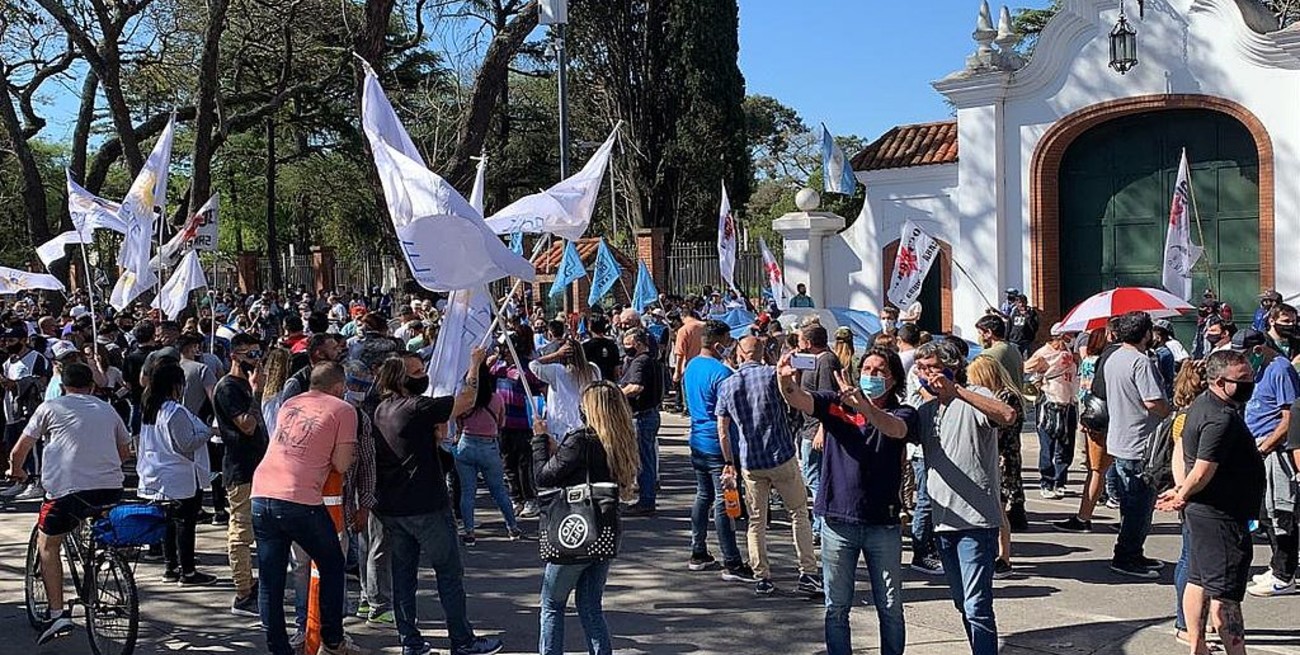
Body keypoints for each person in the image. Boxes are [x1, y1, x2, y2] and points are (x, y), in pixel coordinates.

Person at [777, 345, 913, 655]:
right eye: (866, 370)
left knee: (890, 607)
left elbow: (895, 429)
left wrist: (864, 407)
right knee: (836, 607)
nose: (871, 376)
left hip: (883, 524)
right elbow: (799, 399)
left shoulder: (903, 411)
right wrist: (785, 380)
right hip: (838, 522)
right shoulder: (835, 404)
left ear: (893, 380)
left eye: (879, 371)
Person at [371, 349, 505, 655]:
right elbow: (467, 402)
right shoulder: (416, 406)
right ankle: (462, 640)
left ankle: (411, 641)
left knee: (404, 578)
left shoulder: (382, 409)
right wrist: (474, 364)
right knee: (448, 573)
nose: (423, 376)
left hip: (393, 506)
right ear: (401, 378)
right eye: (416, 372)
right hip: (425, 506)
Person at [5, 362, 129, 645]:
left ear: (62, 386)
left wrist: (17, 471)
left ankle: (58, 612)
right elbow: (124, 451)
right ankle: (102, 561)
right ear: (93, 386)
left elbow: (18, 451)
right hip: (110, 488)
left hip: (66, 492)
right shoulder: (107, 408)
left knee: (48, 545)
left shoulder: (51, 408)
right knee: (97, 526)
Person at [1156, 350, 1264, 655]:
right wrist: (1182, 493)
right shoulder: (1221, 418)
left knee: (1198, 579)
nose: (1250, 383)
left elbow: (1181, 451)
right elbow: (1203, 470)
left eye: (1251, 377)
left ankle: (1197, 646)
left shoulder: (1200, 404)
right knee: (1225, 596)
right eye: (1242, 380)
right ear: (1219, 381)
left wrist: (1181, 490)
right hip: (1220, 517)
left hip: (1203, 513)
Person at [914, 340, 1017, 655]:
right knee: (962, 602)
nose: (925, 375)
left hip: (977, 521)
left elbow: (1008, 414)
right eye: (920, 368)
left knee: (976, 605)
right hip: (944, 521)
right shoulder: (925, 411)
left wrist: (956, 391)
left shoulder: (976, 396)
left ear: (951, 367)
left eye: (931, 367)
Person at [250, 362, 359, 655]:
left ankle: (278, 647)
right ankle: (333, 637)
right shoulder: (343, 410)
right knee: (333, 564)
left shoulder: (290, 404)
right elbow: (342, 463)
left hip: (261, 491)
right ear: (339, 387)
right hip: (300, 498)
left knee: (271, 578)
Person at [532, 380, 639, 655]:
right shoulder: (620, 438)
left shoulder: (581, 439)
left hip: (575, 529)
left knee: (552, 604)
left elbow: (544, 477)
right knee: (590, 606)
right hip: (603, 531)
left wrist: (539, 441)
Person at [717, 337, 821, 596]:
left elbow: (722, 429)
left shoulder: (728, 385)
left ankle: (762, 576)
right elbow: (792, 398)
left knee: (756, 521)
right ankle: (807, 572)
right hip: (781, 454)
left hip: (750, 460)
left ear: (741, 355)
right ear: (762, 353)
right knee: (798, 513)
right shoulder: (770, 375)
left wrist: (729, 462)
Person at [682, 320, 753, 579]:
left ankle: (698, 550)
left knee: (703, 496)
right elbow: (733, 412)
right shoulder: (721, 374)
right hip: (719, 443)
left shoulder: (692, 366)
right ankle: (731, 560)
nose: (730, 346)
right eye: (727, 341)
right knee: (725, 501)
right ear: (717, 344)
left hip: (698, 439)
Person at [137, 362, 218, 585]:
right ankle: (188, 571)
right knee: (184, 524)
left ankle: (171, 567)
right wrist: (207, 432)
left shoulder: (150, 409)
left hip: (158, 473)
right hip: (179, 475)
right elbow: (186, 443)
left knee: (169, 524)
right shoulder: (174, 411)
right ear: (175, 385)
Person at [1104, 311, 1172, 578]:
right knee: (1140, 507)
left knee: (1129, 504)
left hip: (1122, 438)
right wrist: (1172, 413)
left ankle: (1132, 551)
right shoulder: (1140, 362)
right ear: (1145, 334)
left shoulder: (1114, 357)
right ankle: (1127, 556)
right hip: (1140, 444)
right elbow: (1153, 402)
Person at [1243, 306, 1300, 597]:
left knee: (1282, 511)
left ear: (1260, 346)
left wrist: (1267, 446)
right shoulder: (1259, 368)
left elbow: (1289, 417)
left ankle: (1285, 573)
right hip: (1259, 447)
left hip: (1274, 450)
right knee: (1265, 513)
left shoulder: (1280, 369)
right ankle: (1277, 566)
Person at [213, 333, 269, 616]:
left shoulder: (244, 386)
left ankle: (253, 584)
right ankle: (243, 592)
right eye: (250, 354)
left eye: (258, 354)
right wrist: (256, 391)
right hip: (241, 469)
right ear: (235, 355)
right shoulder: (228, 388)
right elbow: (246, 425)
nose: (255, 360)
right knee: (241, 532)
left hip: (260, 466)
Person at [453, 357, 523, 545]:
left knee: (467, 493)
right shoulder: (497, 398)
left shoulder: (465, 399)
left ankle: (469, 532)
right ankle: (512, 528)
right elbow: (501, 423)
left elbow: (458, 421)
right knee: (499, 491)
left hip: (465, 444)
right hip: (489, 446)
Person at [965, 357, 1024, 578]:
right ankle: (1000, 555)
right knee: (995, 508)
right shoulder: (998, 395)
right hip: (996, 456)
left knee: (998, 510)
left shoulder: (1005, 398)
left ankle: (1004, 557)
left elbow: (999, 428)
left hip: (1003, 458)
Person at [1167, 361, 1208, 647]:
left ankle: (1191, 621)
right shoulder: (1190, 417)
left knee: (1190, 557)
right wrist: (1183, 491)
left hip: (1187, 492)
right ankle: (1184, 622)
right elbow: (1180, 458)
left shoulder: (1184, 413)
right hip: (1191, 493)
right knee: (1190, 560)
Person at [797, 324, 841, 544]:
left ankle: (822, 526)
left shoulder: (826, 361)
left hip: (816, 429)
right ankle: (820, 525)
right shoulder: (813, 360)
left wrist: (822, 429)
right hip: (808, 426)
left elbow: (829, 398)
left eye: (800, 340)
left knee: (814, 478)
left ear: (808, 342)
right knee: (813, 476)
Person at [1024, 327, 1079, 500]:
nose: (1072, 338)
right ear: (1060, 336)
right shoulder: (1044, 352)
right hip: (1050, 401)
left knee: (1066, 443)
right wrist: (1040, 373)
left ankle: (1060, 481)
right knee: (1048, 444)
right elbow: (1027, 368)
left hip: (1068, 401)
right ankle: (1047, 482)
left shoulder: (1068, 350)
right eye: (1070, 335)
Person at [620, 327, 665, 517]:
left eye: (628, 345)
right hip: (651, 414)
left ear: (638, 344)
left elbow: (636, 387)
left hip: (642, 415)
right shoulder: (653, 361)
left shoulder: (640, 362)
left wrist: (614, 393)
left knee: (644, 460)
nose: (625, 349)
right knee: (647, 458)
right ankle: (647, 498)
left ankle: (646, 501)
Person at [531, 338, 601, 439]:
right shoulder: (593, 369)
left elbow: (533, 365)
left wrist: (556, 354)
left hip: (562, 427)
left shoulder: (557, 371)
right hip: (587, 423)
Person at [974, 314, 1023, 389]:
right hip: (1017, 395)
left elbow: (979, 383)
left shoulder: (987, 355)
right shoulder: (1013, 348)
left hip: (1000, 398)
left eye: (980, 333)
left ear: (989, 333)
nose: (979, 337)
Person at [582, 316, 622, 382]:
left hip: (592, 383)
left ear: (589, 327)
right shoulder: (612, 345)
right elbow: (616, 370)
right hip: (609, 382)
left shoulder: (585, 346)